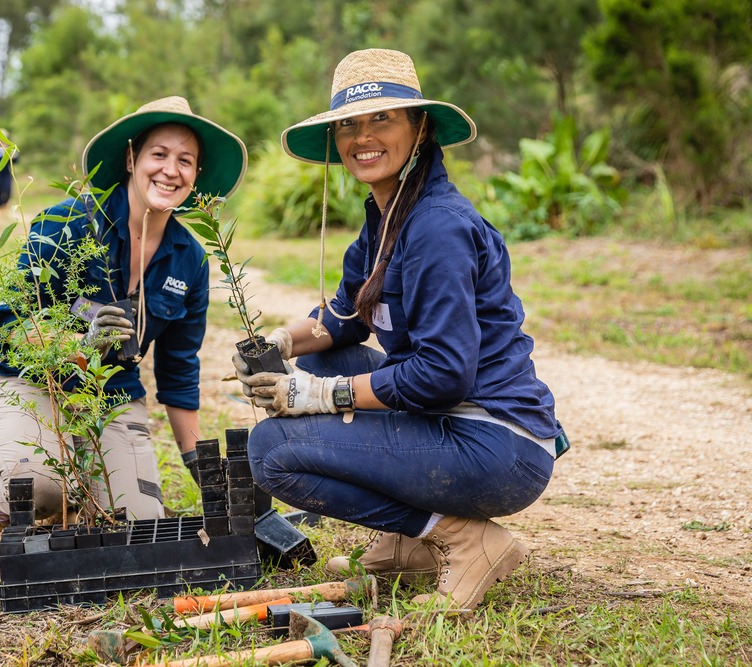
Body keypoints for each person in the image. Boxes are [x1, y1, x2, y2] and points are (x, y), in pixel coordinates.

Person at [234, 49, 568, 611]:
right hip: (448, 423)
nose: (361, 136)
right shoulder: (385, 219)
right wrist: (281, 344)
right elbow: (340, 321)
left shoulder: (437, 227)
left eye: (381, 118)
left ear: (421, 129)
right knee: (321, 358)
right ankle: (411, 540)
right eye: (348, 124)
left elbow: (441, 375)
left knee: (272, 451)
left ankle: (462, 537)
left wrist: (317, 396)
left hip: (494, 442)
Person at [0, 96, 248, 560]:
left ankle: (81, 487)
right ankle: (11, 491)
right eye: (159, 155)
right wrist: (79, 344)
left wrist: (201, 465)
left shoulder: (190, 259)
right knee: (39, 486)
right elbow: (8, 330)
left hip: (111, 394)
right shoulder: (67, 223)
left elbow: (178, 371)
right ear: (132, 158)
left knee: (140, 525)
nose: (170, 171)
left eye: (186, 160)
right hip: (24, 380)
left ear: (196, 176)